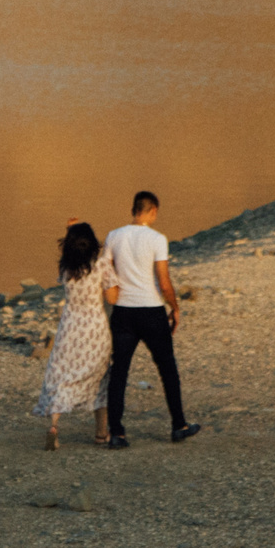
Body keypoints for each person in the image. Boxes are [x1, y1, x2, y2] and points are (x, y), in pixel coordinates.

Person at [103, 190, 200, 448]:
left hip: (123, 311)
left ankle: (117, 433)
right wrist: (175, 306)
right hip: (151, 311)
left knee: (119, 371)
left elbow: (105, 273)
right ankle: (178, 424)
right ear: (153, 211)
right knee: (167, 368)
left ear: (133, 209)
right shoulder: (157, 239)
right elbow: (164, 280)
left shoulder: (114, 236)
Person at [34, 221, 118, 448]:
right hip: (94, 330)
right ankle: (101, 433)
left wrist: (69, 232)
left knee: (62, 376)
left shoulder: (66, 269)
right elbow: (112, 298)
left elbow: (74, 251)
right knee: (100, 378)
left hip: (69, 329)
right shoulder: (101, 266)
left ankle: (54, 424)